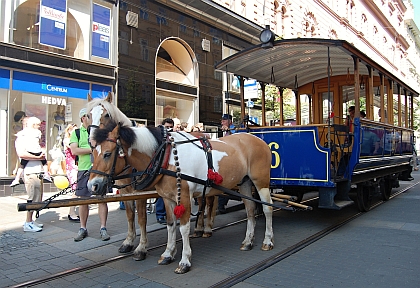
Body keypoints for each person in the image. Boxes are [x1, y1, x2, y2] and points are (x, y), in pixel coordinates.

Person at [71, 108, 110, 241]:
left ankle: (103, 228)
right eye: (90, 117)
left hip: (99, 169)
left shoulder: (99, 131)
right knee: (83, 200)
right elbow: (74, 150)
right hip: (84, 169)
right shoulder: (76, 132)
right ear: (84, 118)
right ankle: (83, 228)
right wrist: (92, 149)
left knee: (101, 199)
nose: (93, 120)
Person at [15, 116, 46, 232]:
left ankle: (31, 220)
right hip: (30, 171)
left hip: (37, 171)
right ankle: (28, 222)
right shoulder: (23, 137)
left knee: (37, 198)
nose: (39, 128)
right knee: (32, 198)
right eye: (38, 125)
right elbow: (22, 154)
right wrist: (37, 157)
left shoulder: (34, 138)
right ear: (33, 125)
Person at [11, 117, 51, 187]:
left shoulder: (22, 133)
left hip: (29, 151)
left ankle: (17, 179)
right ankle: (46, 174)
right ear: (33, 125)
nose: (39, 126)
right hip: (36, 150)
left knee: (22, 165)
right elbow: (40, 141)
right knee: (44, 162)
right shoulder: (37, 132)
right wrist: (39, 155)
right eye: (38, 125)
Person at [155, 118, 175, 225]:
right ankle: (160, 215)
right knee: (162, 194)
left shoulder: (174, 137)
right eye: (167, 127)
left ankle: (170, 215)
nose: (169, 129)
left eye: (171, 127)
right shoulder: (159, 137)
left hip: (171, 169)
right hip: (161, 169)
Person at [218, 114, 236, 213]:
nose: (222, 122)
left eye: (224, 120)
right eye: (222, 121)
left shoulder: (233, 129)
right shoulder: (225, 131)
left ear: (229, 121)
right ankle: (221, 204)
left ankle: (221, 204)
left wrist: (228, 129)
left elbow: (236, 136)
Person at [63, 123, 80, 222]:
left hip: (77, 165)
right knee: (75, 189)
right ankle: (71, 212)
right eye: (74, 130)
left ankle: (73, 211)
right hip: (72, 166)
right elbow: (74, 150)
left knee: (78, 189)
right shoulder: (67, 140)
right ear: (69, 131)